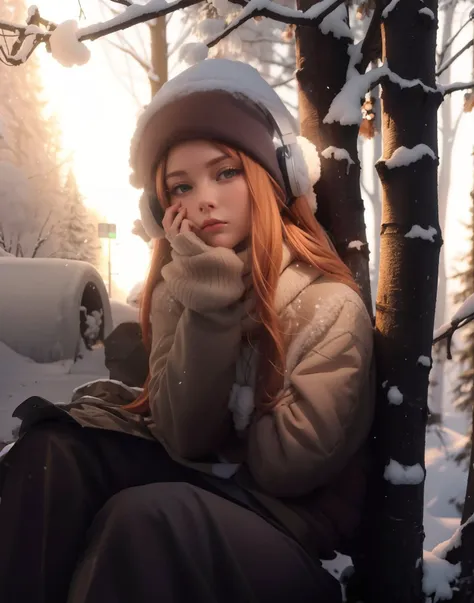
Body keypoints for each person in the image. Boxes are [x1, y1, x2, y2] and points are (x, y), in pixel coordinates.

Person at [0, 58, 374, 603]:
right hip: (204, 485)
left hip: (287, 533)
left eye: (226, 172)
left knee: (146, 520)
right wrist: (211, 306)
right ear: (161, 210)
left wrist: (230, 390)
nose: (202, 199)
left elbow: (283, 470)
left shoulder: (328, 307)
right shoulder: (188, 291)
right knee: (54, 450)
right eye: (180, 186)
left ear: (271, 178)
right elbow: (185, 435)